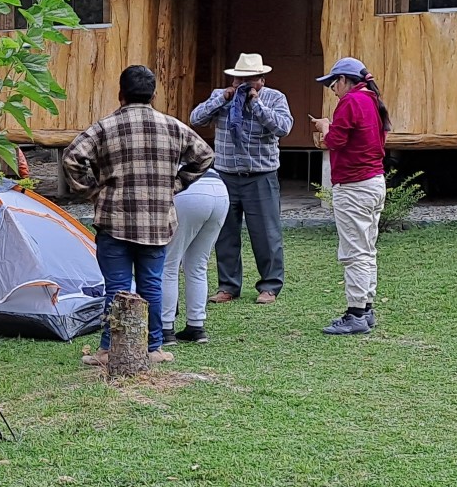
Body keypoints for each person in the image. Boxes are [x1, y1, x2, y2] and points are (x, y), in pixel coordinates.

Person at [62, 65, 216, 362]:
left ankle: (109, 350)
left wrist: (92, 191)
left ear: (120, 93)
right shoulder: (173, 126)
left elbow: (72, 158)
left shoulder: (105, 127)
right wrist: (176, 184)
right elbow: (205, 155)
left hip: (114, 220)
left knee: (117, 288)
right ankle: (153, 347)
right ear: (154, 94)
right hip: (157, 221)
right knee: (151, 285)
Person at [190, 53, 294, 306]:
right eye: (240, 79)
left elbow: (283, 127)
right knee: (225, 233)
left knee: (266, 234)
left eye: (251, 79)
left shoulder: (275, 98)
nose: (245, 84)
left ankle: (269, 286)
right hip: (225, 174)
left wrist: (256, 104)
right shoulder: (220, 95)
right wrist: (223, 99)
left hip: (261, 175)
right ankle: (228, 286)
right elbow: (195, 119)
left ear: (262, 79)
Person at [309, 58, 391, 335]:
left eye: (334, 83)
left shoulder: (351, 102)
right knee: (367, 249)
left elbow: (336, 141)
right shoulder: (372, 100)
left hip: (354, 186)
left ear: (345, 80)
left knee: (353, 252)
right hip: (374, 181)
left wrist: (325, 127)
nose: (333, 89)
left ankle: (355, 313)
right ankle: (365, 308)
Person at [161, 170, 230, 344]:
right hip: (219, 189)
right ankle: (196, 326)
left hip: (187, 189)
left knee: (168, 263)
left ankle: (165, 328)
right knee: (198, 264)